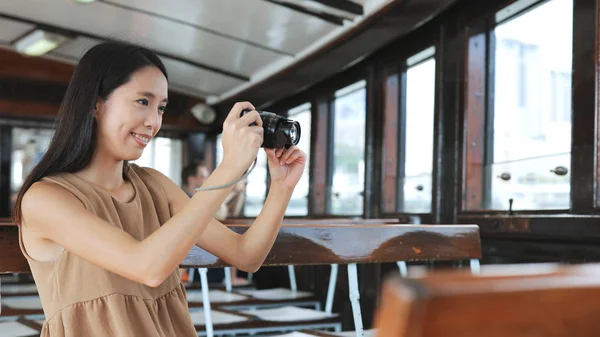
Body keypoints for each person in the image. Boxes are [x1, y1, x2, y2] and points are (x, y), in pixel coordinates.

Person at [12, 42, 306, 337]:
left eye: (161, 108)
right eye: (143, 101)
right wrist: (228, 168)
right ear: (96, 104)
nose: (154, 122)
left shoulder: (154, 185)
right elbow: (147, 267)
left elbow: (246, 256)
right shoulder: (45, 198)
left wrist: (281, 187)